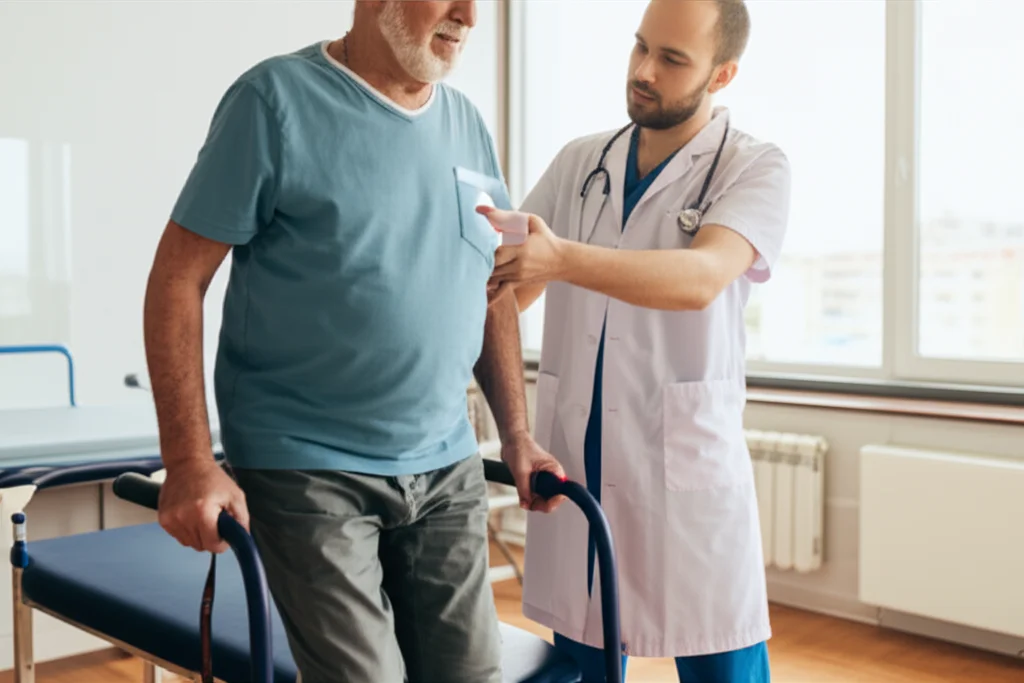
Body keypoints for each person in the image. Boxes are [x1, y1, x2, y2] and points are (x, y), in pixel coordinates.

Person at [142, 2, 564, 682]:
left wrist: (517, 432)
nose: (469, 15)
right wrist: (188, 458)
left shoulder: (469, 125)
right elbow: (176, 280)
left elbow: (495, 287)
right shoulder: (272, 101)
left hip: (445, 465)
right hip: (307, 466)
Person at [478, 0, 789, 681]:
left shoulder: (753, 167)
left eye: (673, 59)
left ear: (724, 73)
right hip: (577, 463)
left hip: (686, 480)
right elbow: (500, 296)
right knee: (587, 663)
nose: (645, 71)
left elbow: (701, 277)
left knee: (723, 662)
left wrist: (561, 259)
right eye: (640, 47)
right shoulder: (580, 162)